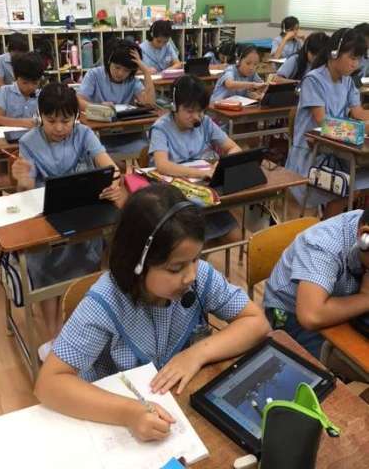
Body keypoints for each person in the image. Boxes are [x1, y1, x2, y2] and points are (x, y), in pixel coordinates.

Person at [34, 184, 270, 441]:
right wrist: (129, 413)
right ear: (137, 263)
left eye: (195, 259)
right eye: (175, 268)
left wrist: (196, 354)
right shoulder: (105, 302)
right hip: (115, 413)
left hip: (176, 404)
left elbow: (256, 322)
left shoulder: (200, 276)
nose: (191, 275)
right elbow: (49, 383)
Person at [11, 83, 123, 355]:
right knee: (47, 274)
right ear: (40, 116)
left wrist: (113, 181)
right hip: (46, 216)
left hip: (82, 211)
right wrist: (22, 180)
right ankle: (53, 336)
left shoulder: (84, 133)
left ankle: (80, 324)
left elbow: (109, 166)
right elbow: (26, 189)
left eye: (66, 120)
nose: (59, 128)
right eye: (51, 121)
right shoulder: (29, 142)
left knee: (86, 269)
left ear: (76, 116)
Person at [264, 209, 369, 359]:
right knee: (349, 362)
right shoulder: (324, 245)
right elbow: (311, 316)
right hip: (291, 314)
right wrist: (365, 298)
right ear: (365, 237)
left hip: (344, 300)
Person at [286, 28, 369, 217]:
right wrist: (359, 129)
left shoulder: (347, 81)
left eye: (358, 59)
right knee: (339, 190)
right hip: (310, 155)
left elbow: (358, 112)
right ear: (334, 53)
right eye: (352, 58)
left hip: (335, 150)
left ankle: (330, 227)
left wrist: (362, 124)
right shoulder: (313, 80)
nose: (355, 64)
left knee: (347, 189)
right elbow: (323, 122)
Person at [149, 74, 242, 242]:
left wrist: (221, 166)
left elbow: (234, 148)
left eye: (200, 111)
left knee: (235, 235)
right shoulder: (161, 128)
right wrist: (201, 173)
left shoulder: (205, 122)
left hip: (204, 193)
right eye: (190, 111)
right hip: (174, 198)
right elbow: (162, 165)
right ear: (174, 106)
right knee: (189, 243)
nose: (196, 117)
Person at [77, 39, 154, 155]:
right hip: (101, 134)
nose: (120, 73)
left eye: (126, 70)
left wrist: (146, 71)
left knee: (146, 149)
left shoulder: (132, 81)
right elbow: (79, 100)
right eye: (117, 67)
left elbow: (149, 103)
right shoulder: (94, 75)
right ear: (109, 62)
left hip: (128, 133)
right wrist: (98, 108)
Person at [0, 51, 44, 128]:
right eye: (25, 83)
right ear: (16, 77)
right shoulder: (5, 92)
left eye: (35, 83)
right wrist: (23, 122)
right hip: (8, 134)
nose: (30, 87)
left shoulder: (42, 96)